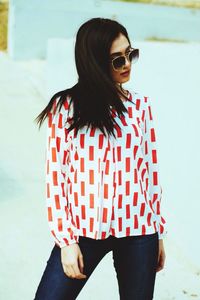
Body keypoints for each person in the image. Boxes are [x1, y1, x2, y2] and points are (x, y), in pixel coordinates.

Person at [33, 17, 167, 300]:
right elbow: (56, 176)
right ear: (94, 62)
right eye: (117, 60)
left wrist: (158, 232)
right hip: (84, 230)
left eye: (130, 54)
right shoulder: (66, 107)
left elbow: (150, 173)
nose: (127, 64)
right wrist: (66, 241)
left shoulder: (141, 106)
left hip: (139, 230)